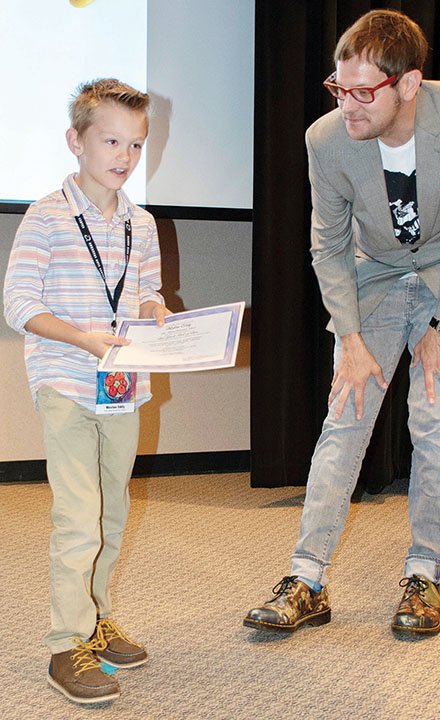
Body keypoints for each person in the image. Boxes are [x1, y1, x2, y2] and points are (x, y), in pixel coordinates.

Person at [245, 9, 440, 636]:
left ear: (409, 84)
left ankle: (423, 576)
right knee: (346, 416)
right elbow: (328, 246)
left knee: (436, 421)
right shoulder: (326, 139)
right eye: (340, 89)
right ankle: (306, 579)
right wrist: (352, 339)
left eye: (365, 92)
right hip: (376, 275)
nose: (349, 107)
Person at [3, 79, 170, 703]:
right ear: (76, 141)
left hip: (122, 388)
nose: (124, 156)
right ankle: (64, 644)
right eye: (110, 140)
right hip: (66, 383)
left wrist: (156, 311)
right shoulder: (47, 215)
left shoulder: (141, 222)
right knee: (79, 518)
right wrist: (83, 338)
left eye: (135, 143)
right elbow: (18, 303)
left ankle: (96, 623)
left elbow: (147, 290)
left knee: (113, 515)